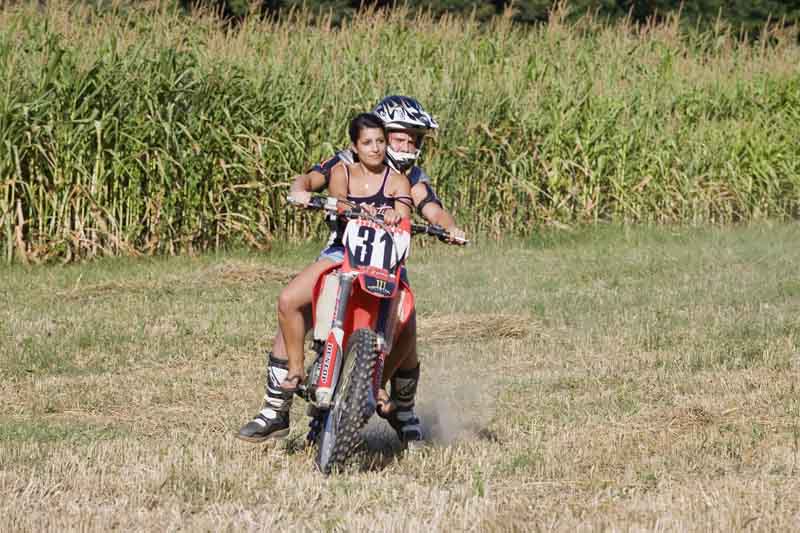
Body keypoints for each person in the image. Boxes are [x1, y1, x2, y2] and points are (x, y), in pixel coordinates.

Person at [237, 96, 463, 446]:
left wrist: (450, 227)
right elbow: (313, 177)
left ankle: (400, 408)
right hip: (342, 253)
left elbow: (432, 208)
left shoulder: (410, 176)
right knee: (295, 302)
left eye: (414, 139)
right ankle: (275, 409)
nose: (408, 146)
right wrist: (299, 190)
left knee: (408, 325)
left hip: (387, 262)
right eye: (401, 137)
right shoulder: (347, 162)